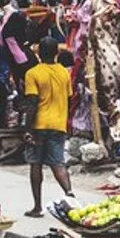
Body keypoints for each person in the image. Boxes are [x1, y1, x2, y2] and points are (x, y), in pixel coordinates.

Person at [23, 39, 74, 216]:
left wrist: (27, 128)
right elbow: (69, 98)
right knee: (58, 163)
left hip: (39, 124)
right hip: (58, 123)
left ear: (39, 53)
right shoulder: (64, 73)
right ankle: (70, 195)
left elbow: (32, 102)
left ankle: (37, 207)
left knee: (35, 163)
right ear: (56, 53)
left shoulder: (32, 73)